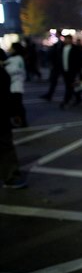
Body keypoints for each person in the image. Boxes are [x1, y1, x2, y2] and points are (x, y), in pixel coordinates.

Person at [0, 49, 27, 189]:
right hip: (1, 118)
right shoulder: (2, 74)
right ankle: (10, 177)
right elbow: (6, 97)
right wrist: (15, 114)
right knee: (5, 147)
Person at [59, 34, 82, 109]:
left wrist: (79, 71)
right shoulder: (62, 48)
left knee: (69, 86)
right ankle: (78, 99)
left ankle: (66, 101)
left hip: (73, 71)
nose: (66, 40)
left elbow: (79, 61)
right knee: (73, 86)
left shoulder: (75, 48)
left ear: (71, 40)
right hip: (65, 70)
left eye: (67, 39)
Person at [5, 42, 28, 127]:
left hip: (15, 85)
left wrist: (5, 66)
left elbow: (15, 70)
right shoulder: (17, 58)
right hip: (16, 85)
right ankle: (20, 121)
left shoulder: (16, 58)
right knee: (17, 105)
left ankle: (22, 121)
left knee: (17, 105)